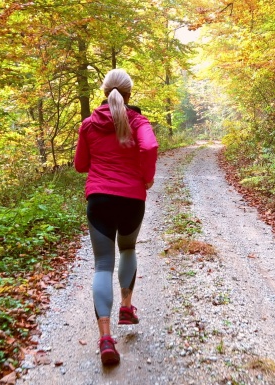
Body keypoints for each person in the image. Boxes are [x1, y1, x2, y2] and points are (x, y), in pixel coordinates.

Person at [73, 69, 158, 366]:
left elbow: (80, 165)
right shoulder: (138, 121)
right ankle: (126, 307)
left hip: (99, 199)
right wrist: (146, 178)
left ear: (104, 91)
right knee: (128, 249)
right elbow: (149, 146)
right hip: (132, 198)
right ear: (130, 94)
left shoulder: (88, 124)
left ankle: (106, 338)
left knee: (102, 266)